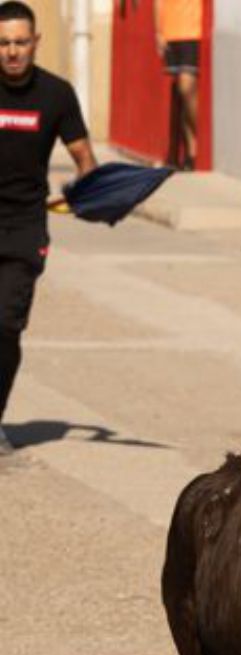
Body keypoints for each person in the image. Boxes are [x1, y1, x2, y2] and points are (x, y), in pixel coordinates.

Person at [0, 0, 96, 455]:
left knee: (4, 327)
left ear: (35, 42)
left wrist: (87, 191)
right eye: (4, 43)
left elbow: (84, 159)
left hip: (24, 229)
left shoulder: (56, 95)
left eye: (21, 42)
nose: (13, 51)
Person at [154, 0, 202, 170]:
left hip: (193, 31)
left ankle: (200, 143)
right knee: (181, 95)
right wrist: (159, 31)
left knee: (186, 87)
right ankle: (191, 152)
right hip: (171, 32)